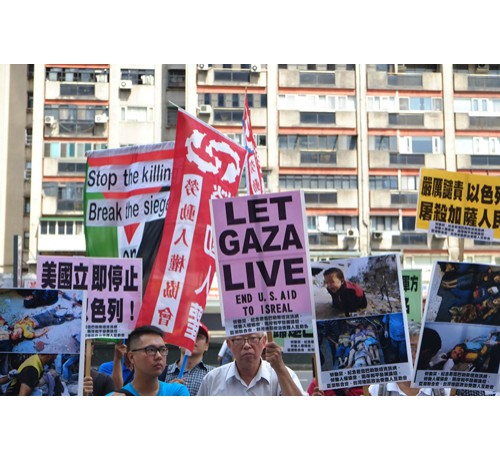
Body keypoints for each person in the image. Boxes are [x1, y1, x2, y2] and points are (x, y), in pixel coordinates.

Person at [197, 332, 307, 396]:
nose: (246, 345)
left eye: (253, 338)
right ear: (229, 344)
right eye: (239, 339)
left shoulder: (282, 375)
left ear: (264, 341)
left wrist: (280, 368)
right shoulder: (211, 380)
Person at [368, 321, 450, 396]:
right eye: (411, 347)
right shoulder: (378, 389)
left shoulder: (443, 390)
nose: (415, 354)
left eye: (421, 350)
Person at [107, 325, 189, 396]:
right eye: (150, 350)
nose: (159, 356)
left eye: (162, 349)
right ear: (131, 357)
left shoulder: (177, 392)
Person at [160, 322, 214, 395]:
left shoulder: (214, 374)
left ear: (206, 346)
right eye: (188, 335)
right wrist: (167, 391)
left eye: (198, 336)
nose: (193, 339)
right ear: (179, 343)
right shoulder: (161, 372)